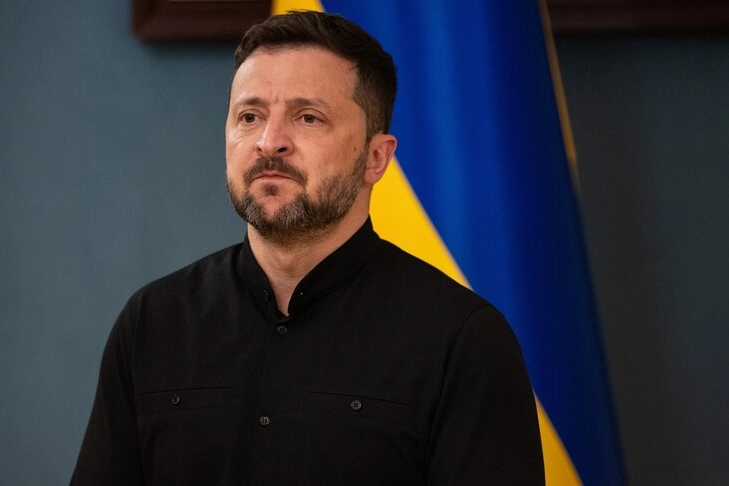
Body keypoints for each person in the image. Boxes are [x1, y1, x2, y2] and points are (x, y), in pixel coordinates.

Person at [71, 10, 544, 485]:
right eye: (250, 116)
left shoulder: (462, 341)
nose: (269, 142)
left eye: (308, 117)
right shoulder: (152, 322)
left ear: (376, 158)